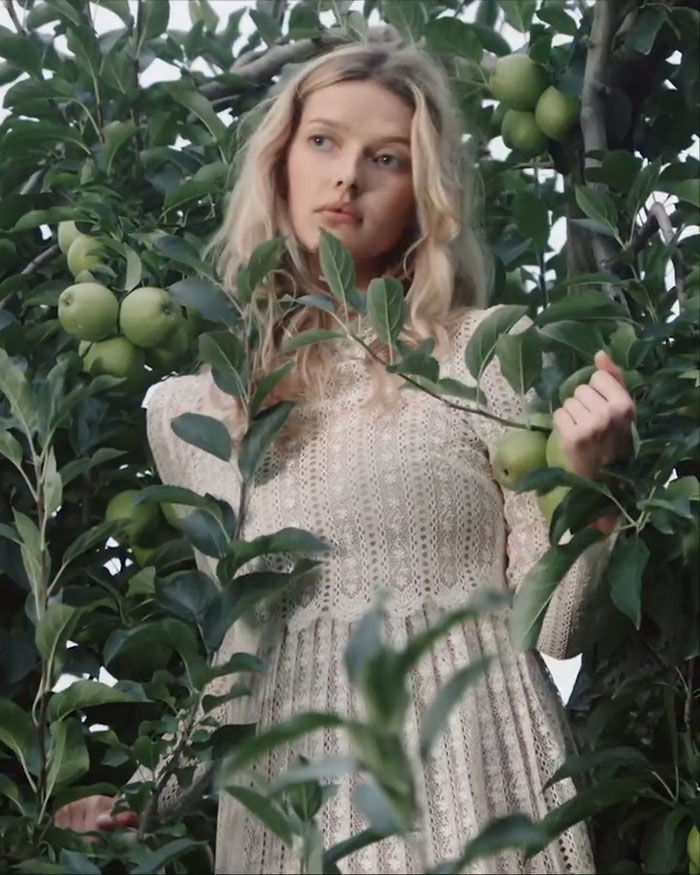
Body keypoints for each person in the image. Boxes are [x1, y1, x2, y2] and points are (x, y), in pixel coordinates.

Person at [55, 41, 635, 874]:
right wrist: (143, 798)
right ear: (279, 159)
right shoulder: (197, 412)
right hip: (292, 803)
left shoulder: (480, 352)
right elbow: (244, 644)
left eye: (386, 157)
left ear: (420, 193)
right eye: (323, 141)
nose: (347, 177)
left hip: (471, 775)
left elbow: (556, 622)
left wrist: (591, 482)